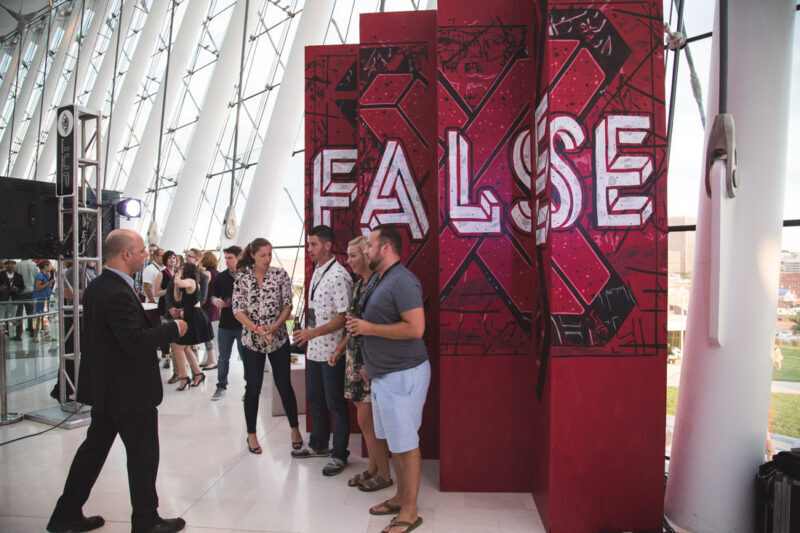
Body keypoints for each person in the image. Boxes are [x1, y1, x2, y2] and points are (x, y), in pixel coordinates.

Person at [47, 229, 188, 533]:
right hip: (129, 391)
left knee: (93, 452)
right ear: (126, 254)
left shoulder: (99, 286)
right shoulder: (116, 291)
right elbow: (133, 341)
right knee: (143, 455)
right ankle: (146, 520)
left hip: (107, 389)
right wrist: (172, 328)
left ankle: (66, 512)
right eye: (140, 252)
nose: (144, 256)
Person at [346, 225, 429, 533]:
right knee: (396, 441)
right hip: (384, 374)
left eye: (369, 245)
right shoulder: (381, 279)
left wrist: (369, 329)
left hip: (402, 375)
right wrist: (371, 365)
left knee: (406, 444)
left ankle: (410, 512)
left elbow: (415, 329)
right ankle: (400, 497)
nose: (365, 250)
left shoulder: (404, 281)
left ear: (385, 248)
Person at [292, 225, 352, 477]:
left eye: (313, 244)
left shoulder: (339, 275)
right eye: (308, 244)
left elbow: (344, 317)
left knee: (335, 402)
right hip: (314, 349)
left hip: (332, 352)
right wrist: (308, 333)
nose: (309, 249)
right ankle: (318, 445)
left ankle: (339, 454)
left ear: (327, 245)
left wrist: (312, 333)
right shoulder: (317, 271)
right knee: (315, 399)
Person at [232, 238, 302, 454]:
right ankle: (251, 435)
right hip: (252, 341)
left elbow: (287, 305)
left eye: (270, 254)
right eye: (263, 255)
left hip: (278, 339)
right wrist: (257, 329)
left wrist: (274, 327)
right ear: (252, 255)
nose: (267, 259)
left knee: (284, 384)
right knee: (252, 387)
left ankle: (295, 429)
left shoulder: (279, 275)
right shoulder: (242, 277)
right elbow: (237, 309)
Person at [338, 236, 392, 491]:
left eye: (353, 255)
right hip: (354, 357)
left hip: (367, 360)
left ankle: (383, 473)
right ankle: (373, 468)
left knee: (368, 421)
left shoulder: (378, 285)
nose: (349, 261)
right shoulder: (361, 286)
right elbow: (351, 324)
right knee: (364, 421)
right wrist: (340, 349)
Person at [210, 245, 243, 401]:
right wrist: (214, 300)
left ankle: (249, 388)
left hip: (244, 326)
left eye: (230, 258)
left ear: (238, 258)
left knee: (246, 358)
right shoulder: (221, 277)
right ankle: (221, 386)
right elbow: (213, 295)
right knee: (223, 358)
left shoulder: (247, 275)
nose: (227, 261)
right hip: (225, 325)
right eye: (226, 258)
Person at [172, 262, 211, 390]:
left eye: (181, 269)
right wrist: (175, 281)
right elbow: (177, 298)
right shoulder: (186, 282)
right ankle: (198, 374)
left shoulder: (191, 281)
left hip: (193, 317)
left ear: (187, 270)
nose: (179, 270)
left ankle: (184, 378)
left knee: (178, 347)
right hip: (189, 316)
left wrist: (176, 276)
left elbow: (178, 283)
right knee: (186, 348)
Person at [154, 251, 178, 376]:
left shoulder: (179, 273)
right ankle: (167, 357)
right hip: (164, 306)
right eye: (169, 258)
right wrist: (169, 290)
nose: (172, 260)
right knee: (165, 332)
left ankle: (177, 358)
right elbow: (156, 292)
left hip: (176, 306)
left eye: (174, 258)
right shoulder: (161, 274)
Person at [199, 250, 220, 369]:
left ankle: (212, 360)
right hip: (215, 307)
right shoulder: (218, 273)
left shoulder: (207, 273)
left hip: (207, 306)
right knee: (211, 334)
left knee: (208, 334)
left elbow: (204, 291)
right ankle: (210, 358)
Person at [32, 260, 55, 342]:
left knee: (44, 317)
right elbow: (38, 287)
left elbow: (45, 287)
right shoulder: (39, 275)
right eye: (49, 265)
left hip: (45, 298)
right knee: (39, 317)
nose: (50, 267)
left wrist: (51, 291)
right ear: (45, 266)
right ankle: (35, 336)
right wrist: (49, 283)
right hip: (40, 299)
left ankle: (46, 334)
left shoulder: (45, 275)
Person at [0, 259, 24, 338]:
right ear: (5, 265)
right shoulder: (1, 275)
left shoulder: (18, 276)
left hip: (14, 298)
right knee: (2, 316)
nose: (11, 265)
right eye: (9, 264)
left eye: (13, 264)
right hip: (3, 299)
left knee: (13, 317)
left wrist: (17, 289)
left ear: (15, 265)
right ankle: (2, 334)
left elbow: (22, 287)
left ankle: (11, 334)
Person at [15, 257, 37, 338]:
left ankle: (18, 334)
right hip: (31, 291)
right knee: (30, 313)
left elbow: (15, 277)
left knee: (19, 314)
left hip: (20, 292)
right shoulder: (34, 265)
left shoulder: (17, 265)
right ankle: (31, 330)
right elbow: (37, 277)